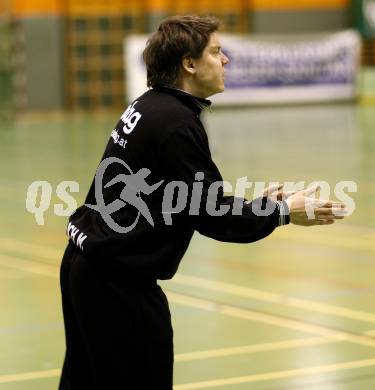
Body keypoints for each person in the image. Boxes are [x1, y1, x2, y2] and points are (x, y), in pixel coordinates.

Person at [59, 15, 345, 389]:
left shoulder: (152, 105)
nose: (225, 60)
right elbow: (214, 216)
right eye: (215, 52)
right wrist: (282, 212)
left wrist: (257, 204)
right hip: (117, 284)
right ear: (189, 64)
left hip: (87, 265)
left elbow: (187, 198)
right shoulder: (175, 123)